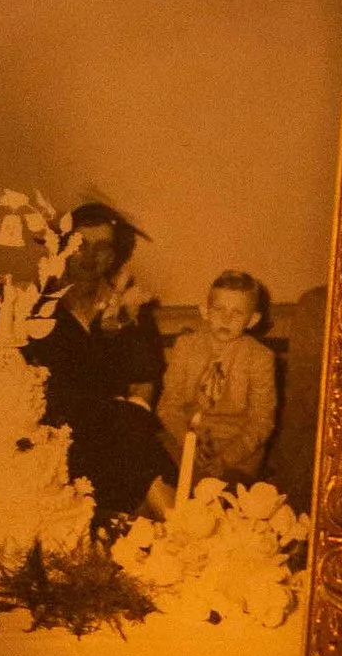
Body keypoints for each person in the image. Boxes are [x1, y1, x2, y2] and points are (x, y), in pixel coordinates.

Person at [37, 201, 167, 523]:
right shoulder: (34, 310)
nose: (90, 256)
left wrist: (128, 430)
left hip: (118, 440)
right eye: (80, 244)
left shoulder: (129, 310)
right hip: (55, 445)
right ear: (62, 248)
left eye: (103, 247)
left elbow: (143, 386)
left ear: (114, 256)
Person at [157, 271, 278, 487]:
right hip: (183, 442)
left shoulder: (260, 358)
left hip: (237, 453)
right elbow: (168, 405)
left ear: (252, 320)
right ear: (205, 311)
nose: (226, 319)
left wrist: (226, 458)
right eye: (219, 309)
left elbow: (261, 421)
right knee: (157, 482)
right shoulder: (185, 346)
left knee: (217, 497)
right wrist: (187, 442)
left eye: (237, 313)